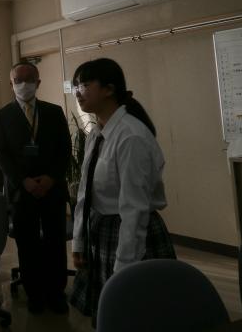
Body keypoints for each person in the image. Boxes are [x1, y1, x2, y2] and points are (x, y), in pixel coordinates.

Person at [68, 58, 175, 326]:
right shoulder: (97, 133)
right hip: (102, 230)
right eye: (76, 86)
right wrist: (79, 240)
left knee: (138, 314)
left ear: (109, 89)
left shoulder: (130, 136)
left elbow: (134, 209)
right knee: (110, 316)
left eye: (85, 84)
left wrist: (124, 268)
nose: (78, 92)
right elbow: (85, 193)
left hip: (131, 235)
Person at [0, 62, 72, 314]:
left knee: (55, 242)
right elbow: (0, 154)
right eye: (18, 80)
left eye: (29, 79)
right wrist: (23, 180)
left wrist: (51, 178)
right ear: (11, 83)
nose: (23, 84)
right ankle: (35, 294)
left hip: (52, 189)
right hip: (21, 192)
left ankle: (56, 293)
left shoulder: (54, 111)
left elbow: (65, 150)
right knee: (27, 246)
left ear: (38, 82)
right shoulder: (2, 115)